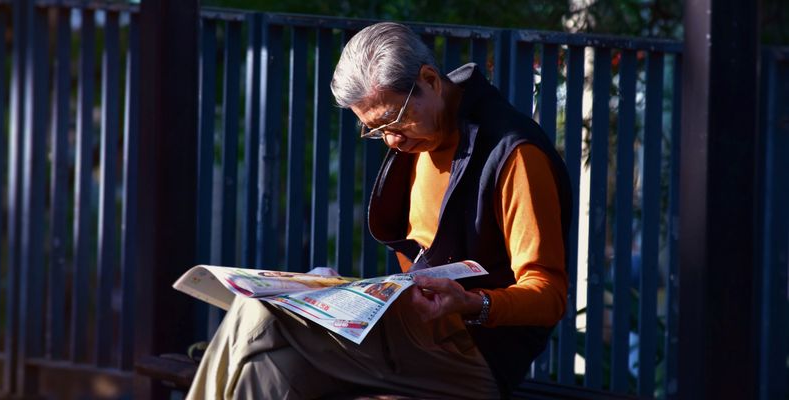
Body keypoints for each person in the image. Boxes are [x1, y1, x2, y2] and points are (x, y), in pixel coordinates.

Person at [187, 21, 571, 400]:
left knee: (257, 314)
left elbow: (549, 294)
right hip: (410, 336)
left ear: (430, 80)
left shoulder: (514, 154)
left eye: (393, 120)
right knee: (268, 367)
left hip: (473, 356)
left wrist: (471, 302)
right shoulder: (421, 139)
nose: (390, 139)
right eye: (374, 130)